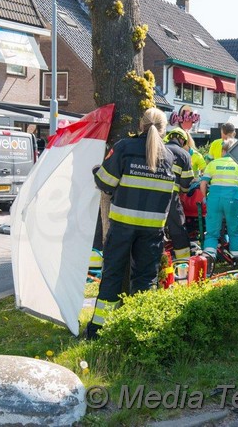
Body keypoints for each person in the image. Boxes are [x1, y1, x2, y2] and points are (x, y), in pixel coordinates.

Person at [87, 108, 175, 339]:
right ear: (164, 129)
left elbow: (105, 183)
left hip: (122, 226)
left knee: (113, 274)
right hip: (152, 230)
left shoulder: (125, 147)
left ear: (140, 125)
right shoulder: (170, 157)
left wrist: (97, 170)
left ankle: (98, 330)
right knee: (146, 279)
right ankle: (139, 327)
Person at [200, 138, 238, 264]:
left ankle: (209, 258)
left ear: (223, 150)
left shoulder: (213, 164)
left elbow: (203, 184)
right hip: (233, 199)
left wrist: (206, 197)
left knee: (212, 231)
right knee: (234, 230)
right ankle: (237, 258)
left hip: (214, 199)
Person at [165, 127, 194, 260]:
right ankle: (184, 261)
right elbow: (186, 183)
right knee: (178, 226)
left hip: (151, 194)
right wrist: (185, 191)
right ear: (182, 140)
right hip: (171, 196)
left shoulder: (158, 149)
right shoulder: (183, 154)